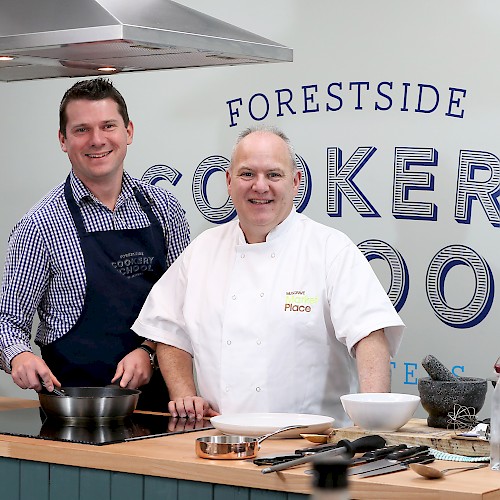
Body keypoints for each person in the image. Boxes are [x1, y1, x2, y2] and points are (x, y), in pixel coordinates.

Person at [132, 125, 404, 425]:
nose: (260, 186)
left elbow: (369, 334)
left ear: (296, 182)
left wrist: (375, 424)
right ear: (229, 181)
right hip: (222, 442)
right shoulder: (203, 250)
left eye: (274, 175)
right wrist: (185, 394)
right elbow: (168, 330)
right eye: (247, 174)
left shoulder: (330, 248)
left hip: (311, 446)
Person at [0, 78, 190, 411]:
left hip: (161, 412)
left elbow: (187, 303)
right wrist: (20, 355)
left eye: (108, 126)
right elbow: (7, 322)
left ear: (129, 132)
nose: (97, 140)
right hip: (73, 415)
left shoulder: (164, 209)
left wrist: (148, 349)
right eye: (82, 130)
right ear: (63, 140)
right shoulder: (40, 225)